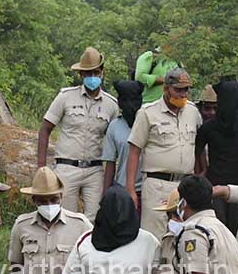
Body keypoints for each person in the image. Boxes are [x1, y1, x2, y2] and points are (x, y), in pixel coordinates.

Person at [38, 47, 119, 221]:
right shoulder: (65, 97)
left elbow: (114, 140)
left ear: (102, 72)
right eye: (87, 73)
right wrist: (41, 168)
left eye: (95, 72)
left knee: (95, 219)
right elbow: (45, 129)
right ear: (81, 75)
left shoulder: (111, 105)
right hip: (67, 167)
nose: (92, 77)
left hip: (95, 169)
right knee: (66, 218)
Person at [126, 67, 202, 240]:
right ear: (166, 88)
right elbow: (134, 151)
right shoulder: (148, 113)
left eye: (186, 90)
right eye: (178, 89)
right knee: (155, 237)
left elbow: (198, 147)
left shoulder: (192, 111)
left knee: (185, 236)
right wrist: (130, 188)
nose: (182, 94)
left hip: (185, 185)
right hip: (158, 184)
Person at [195, 81, 238, 235]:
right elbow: (197, 152)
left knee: (235, 230)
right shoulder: (209, 128)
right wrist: (201, 173)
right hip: (216, 187)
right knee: (219, 230)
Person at [103, 80, 145, 209]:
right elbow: (110, 163)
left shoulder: (148, 122)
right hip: (123, 190)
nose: (131, 105)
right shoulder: (114, 126)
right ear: (120, 102)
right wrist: (106, 195)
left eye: (134, 100)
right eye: (126, 100)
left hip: (147, 190)